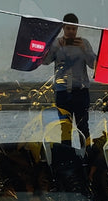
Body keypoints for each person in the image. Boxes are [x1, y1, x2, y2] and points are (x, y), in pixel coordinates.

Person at [42, 13, 95, 141]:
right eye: (68, 28)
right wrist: (53, 47)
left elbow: (93, 64)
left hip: (81, 91)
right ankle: (66, 152)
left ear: (77, 28)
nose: (71, 31)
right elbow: (45, 61)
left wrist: (84, 49)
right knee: (65, 128)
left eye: (74, 29)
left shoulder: (84, 43)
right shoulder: (56, 43)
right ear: (63, 28)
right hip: (62, 92)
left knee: (83, 126)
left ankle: (87, 151)